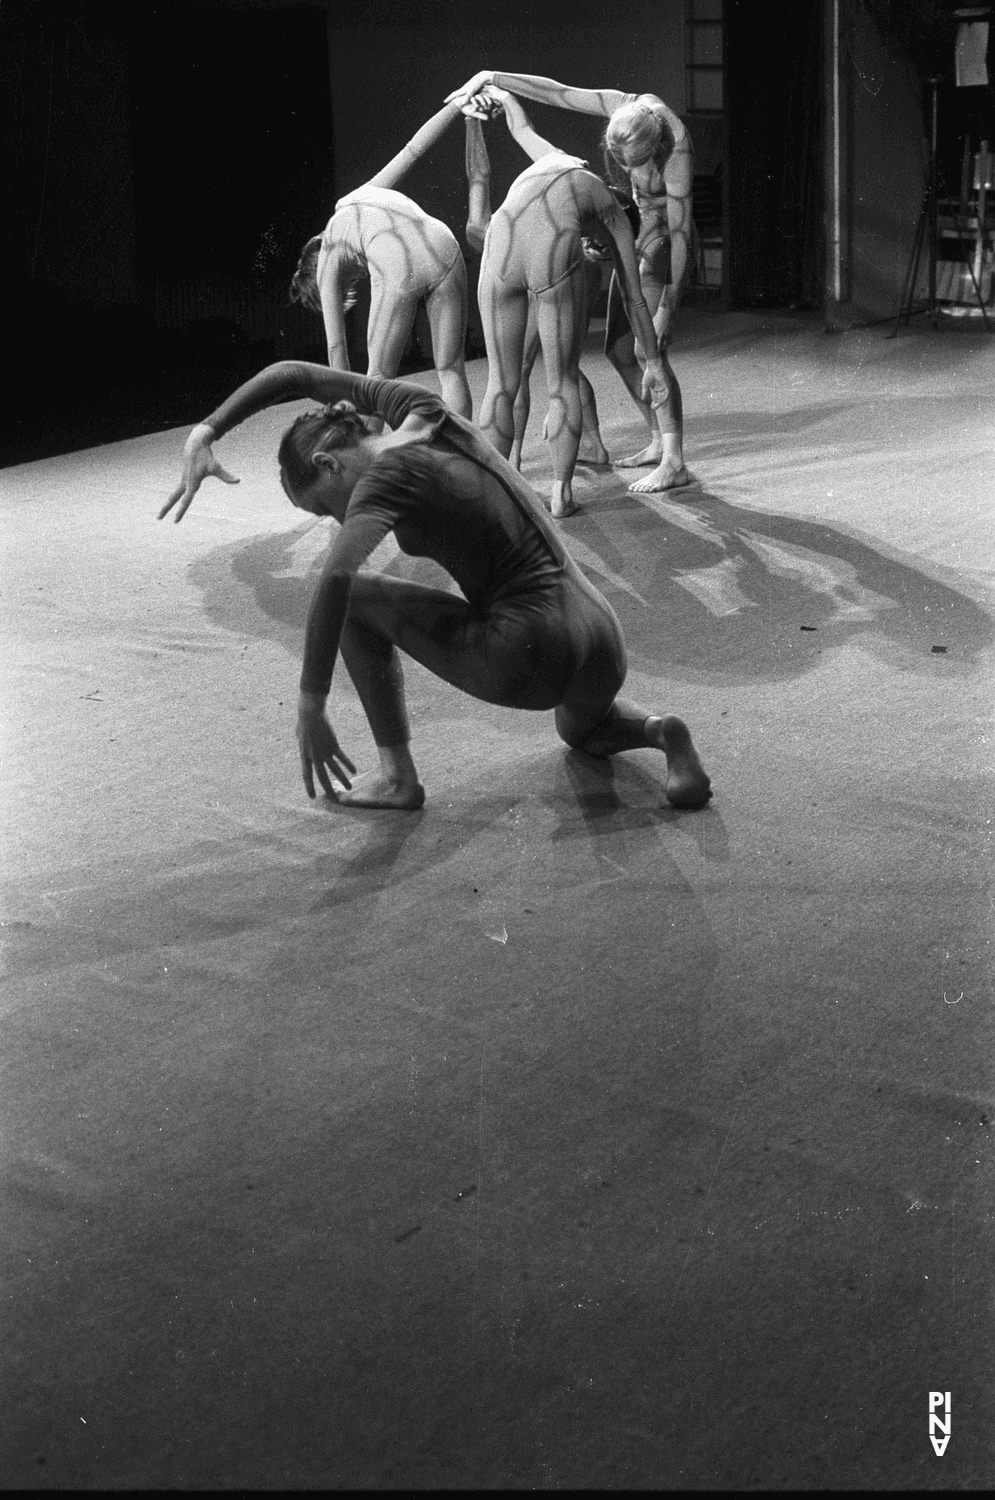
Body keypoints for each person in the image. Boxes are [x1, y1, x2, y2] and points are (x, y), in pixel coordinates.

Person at [158, 361, 712, 814]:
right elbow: (295, 375)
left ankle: (397, 778)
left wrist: (311, 704)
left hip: (532, 646)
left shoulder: (384, 476)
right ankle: (660, 732)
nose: (336, 519)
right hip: (601, 634)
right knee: (580, 731)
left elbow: (337, 579)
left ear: (328, 464)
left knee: (354, 598)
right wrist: (207, 430)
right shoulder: (421, 409)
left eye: (325, 507)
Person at [447, 68, 695, 491]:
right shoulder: (623, 107)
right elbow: (559, 93)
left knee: (648, 346)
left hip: (662, 244)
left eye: (632, 163)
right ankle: (658, 439)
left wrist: (667, 311)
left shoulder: (677, 150)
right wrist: (496, 79)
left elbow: (681, 237)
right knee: (619, 351)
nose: (624, 168)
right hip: (626, 233)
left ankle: (674, 460)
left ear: (654, 147)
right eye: (618, 160)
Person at [289, 101, 473, 418]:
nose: (356, 279)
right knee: (451, 370)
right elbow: (413, 150)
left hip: (400, 262)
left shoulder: (327, 259)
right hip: (445, 243)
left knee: (377, 381)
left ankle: (367, 450)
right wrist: (456, 105)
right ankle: (463, 448)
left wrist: (344, 410)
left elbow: (336, 349)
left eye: (349, 283)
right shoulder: (357, 196)